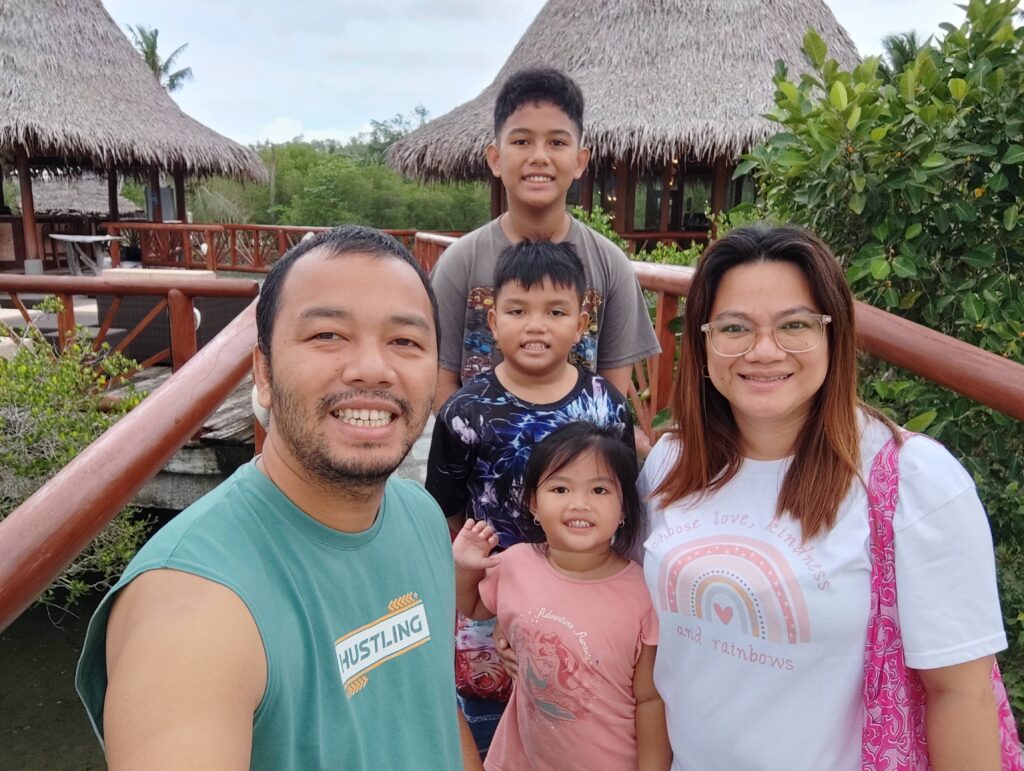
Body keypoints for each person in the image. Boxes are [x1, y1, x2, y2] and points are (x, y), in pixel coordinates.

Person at [76, 226, 481, 769]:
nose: (372, 368)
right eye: (327, 336)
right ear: (263, 374)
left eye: (404, 341)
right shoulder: (193, 605)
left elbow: (433, 712)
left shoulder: (422, 517)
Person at [639, 224, 1007, 769]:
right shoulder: (671, 464)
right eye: (735, 327)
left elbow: (961, 694)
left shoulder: (913, 481)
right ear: (703, 340)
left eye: (795, 325)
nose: (764, 351)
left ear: (835, 336)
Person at [426, 238, 636, 754]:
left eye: (556, 311)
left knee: (575, 717)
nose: (536, 325)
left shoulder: (605, 406)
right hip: (491, 606)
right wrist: (475, 584)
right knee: (487, 719)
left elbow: (623, 502)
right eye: (518, 310)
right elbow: (445, 510)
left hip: (583, 604)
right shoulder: (465, 411)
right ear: (492, 321)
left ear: (582, 322)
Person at [430, 67, 659, 412]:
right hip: (480, 458)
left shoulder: (610, 265)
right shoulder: (460, 263)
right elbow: (440, 381)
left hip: (575, 458)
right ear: (496, 158)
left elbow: (611, 392)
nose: (539, 156)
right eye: (522, 141)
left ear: (580, 161)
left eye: (557, 142)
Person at [454, 422, 670, 771]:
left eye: (599, 490)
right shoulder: (514, 563)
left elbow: (648, 699)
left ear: (625, 509)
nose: (579, 504)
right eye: (560, 489)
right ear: (533, 504)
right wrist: (464, 566)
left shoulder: (643, 594)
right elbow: (474, 607)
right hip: (520, 758)